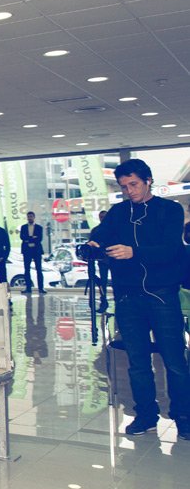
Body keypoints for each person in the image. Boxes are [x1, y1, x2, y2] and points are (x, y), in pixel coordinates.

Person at [88, 158, 190, 439]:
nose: (129, 190)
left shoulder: (170, 210)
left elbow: (170, 250)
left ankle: (183, 416)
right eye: (123, 186)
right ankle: (145, 414)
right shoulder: (119, 213)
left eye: (133, 184)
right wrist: (93, 242)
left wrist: (135, 251)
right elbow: (100, 234)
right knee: (137, 362)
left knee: (174, 361)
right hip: (127, 298)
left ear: (148, 181)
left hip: (162, 296)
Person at [19, 211, 45, 294]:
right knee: (26, 270)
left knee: (39, 270)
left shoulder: (39, 227)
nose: (30, 218)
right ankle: (28, 288)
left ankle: (41, 288)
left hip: (36, 251)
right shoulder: (23, 227)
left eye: (31, 216)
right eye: (28, 216)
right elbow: (22, 237)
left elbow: (39, 239)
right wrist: (32, 237)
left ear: (34, 217)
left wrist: (28, 239)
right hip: (27, 251)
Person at [90, 209, 110, 307]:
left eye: (105, 217)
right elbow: (91, 243)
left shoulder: (114, 229)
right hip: (102, 259)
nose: (103, 219)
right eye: (101, 217)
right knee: (103, 281)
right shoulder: (95, 230)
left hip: (114, 258)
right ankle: (103, 298)